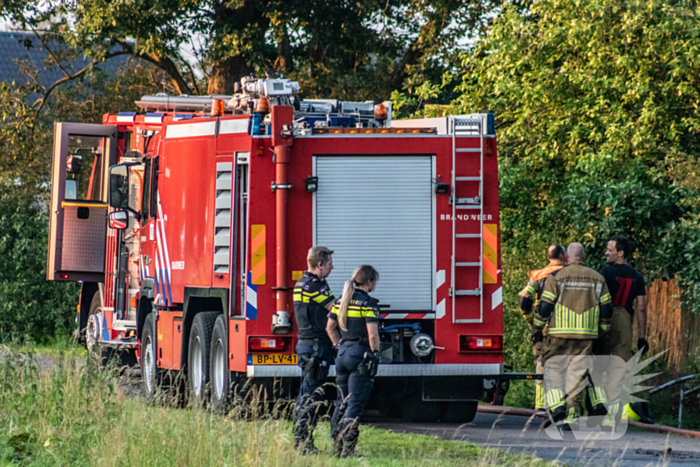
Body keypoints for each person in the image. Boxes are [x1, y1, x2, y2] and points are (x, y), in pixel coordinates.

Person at [534, 243, 613, 428]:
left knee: (553, 370)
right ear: (583, 256)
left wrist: (537, 328)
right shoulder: (598, 278)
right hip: (586, 336)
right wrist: (603, 330)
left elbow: (545, 306)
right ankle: (571, 416)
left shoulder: (556, 277)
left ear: (566, 257)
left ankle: (556, 406)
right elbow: (607, 308)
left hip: (558, 335)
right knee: (576, 376)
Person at [326, 265, 380, 458]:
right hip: (360, 355)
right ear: (369, 282)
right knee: (355, 404)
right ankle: (348, 450)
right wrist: (375, 354)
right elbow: (372, 335)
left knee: (341, 402)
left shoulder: (341, 301)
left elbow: (330, 328)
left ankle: (336, 447)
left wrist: (338, 346)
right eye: (375, 281)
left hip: (343, 354)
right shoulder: (368, 303)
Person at [597, 235, 648, 429]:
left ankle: (595, 409)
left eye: (609, 250)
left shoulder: (605, 273)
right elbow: (642, 308)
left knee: (597, 366)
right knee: (618, 371)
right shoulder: (637, 276)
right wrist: (642, 337)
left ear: (620, 253)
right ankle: (613, 414)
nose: (606, 253)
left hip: (605, 320)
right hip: (625, 322)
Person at [292, 246, 336, 453]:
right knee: (312, 396)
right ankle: (303, 443)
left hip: (307, 344)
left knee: (306, 393)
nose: (332, 267)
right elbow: (335, 309)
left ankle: (301, 440)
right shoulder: (315, 286)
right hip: (316, 346)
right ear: (319, 265)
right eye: (329, 263)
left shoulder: (302, 282)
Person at [518, 244, 567, 411]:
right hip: (569, 325)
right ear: (563, 256)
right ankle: (563, 404)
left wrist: (531, 321)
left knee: (542, 364)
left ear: (548, 257)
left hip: (544, 326)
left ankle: (541, 405)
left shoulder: (538, 275)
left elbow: (524, 299)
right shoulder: (571, 275)